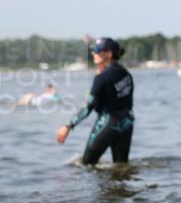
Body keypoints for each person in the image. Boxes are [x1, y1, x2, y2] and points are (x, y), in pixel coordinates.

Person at [56, 37, 134, 165]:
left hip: (109, 122)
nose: (93, 53)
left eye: (97, 51)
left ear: (108, 54)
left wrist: (68, 126)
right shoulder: (125, 73)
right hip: (127, 123)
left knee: (86, 164)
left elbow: (89, 106)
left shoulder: (102, 78)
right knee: (121, 167)